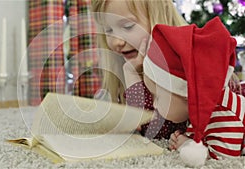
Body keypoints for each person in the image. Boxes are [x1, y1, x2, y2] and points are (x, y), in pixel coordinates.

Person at [143, 17, 245, 167]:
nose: (154, 103)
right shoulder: (202, 108)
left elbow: (225, 160)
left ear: (186, 94)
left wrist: (187, 145)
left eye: (157, 97)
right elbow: (204, 136)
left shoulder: (224, 114)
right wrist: (185, 139)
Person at [91, 0, 189, 139]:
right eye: (109, 30)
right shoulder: (122, 64)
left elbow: (155, 130)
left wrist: (131, 75)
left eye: (128, 26)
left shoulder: (179, 65)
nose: (117, 41)